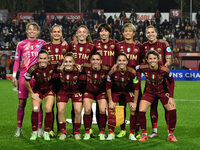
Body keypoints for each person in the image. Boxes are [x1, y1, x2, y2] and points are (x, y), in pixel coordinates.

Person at [12, 22, 45, 137]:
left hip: (37, 77)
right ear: (26, 31)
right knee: (22, 103)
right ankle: (19, 128)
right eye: (29, 29)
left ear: (37, 31)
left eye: (34, 29)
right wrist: (14, 75)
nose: (32, 31)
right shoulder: (21, 44)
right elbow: (16, 60)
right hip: (23, 77)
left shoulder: (42, 43)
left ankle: (39, 129)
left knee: (38, 104)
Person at [137, 50, 177, 142]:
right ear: (146, 60)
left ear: (158, 59)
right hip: (149, 92)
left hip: (162, 92)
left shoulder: (165, 70)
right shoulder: (143, 67)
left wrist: (171, 97)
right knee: (141, 111)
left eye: (154, 58)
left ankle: (171, 134)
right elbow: (134, 69)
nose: (152, 60)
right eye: (150, 59)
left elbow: (172, 82)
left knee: (172, 110)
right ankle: (144, 134)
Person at [142, 25, 172, 138]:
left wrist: (161, 70)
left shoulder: (164, 44)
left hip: (163, 81)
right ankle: (154, 131)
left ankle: (170, 132)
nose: (150, 34)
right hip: (150, 81)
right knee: (152, 106)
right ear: (145, 34)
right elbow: (142, 62)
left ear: (156, 33)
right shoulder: (144, 46)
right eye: (148, 32)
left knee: (167, 107)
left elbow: (169, 60)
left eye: (152, 32)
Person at [115, 23, 143, 138]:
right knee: (121, 106)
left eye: (130, 31)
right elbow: (115, 61)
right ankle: (122, 129)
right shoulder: (118, 45)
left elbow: (142, 62)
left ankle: (136, 130)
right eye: (125, 31)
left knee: (134, 106)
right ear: (123, 33)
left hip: (134, 81)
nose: (127, 33)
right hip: (120, 81)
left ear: (134, 33)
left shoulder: (139, 46)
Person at [42, 24, 69, 136]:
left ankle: (60, 129)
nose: (57, 33)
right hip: (50, 81)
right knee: (50, 106)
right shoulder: (46, 46)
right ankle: (50, 129)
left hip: (62, 81)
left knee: (60, 106)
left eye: (58, 31)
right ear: (51, 34)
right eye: (54, 32)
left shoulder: (66, 47)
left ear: (61, 33)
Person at [106, 53, 139, 141]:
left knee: (132, 109)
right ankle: (111, 133)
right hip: (116, 91)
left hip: (129, 91)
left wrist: (135, 103)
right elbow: (108, 87)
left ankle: (132, 133)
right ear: (116, 62)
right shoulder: (112, 72)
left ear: (127, 62)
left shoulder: (132, 72)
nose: (121, 62)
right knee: (111, 108)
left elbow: (136, 88)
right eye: (119, 60)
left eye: (124, 60)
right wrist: (110, 101)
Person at [24, 50, 55, 141]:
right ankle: (34, 132)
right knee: (35, 109)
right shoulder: (33, 68)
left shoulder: (53, 64)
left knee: (48, 109)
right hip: (38, 91)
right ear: (38, 59)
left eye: (45, 58)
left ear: (48, 59)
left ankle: (46, 132)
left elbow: (63, 64)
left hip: (49, 90)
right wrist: (32, 93)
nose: (42, 60)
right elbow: (26, 81)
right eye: (41, 58)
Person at [82, 52, 110, 140]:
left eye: (97, 59)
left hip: (101, 92)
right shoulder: (85, 67)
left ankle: (102, 132)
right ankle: (87, 131)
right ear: (90, 61)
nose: (95, 61)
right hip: (89, 91)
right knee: (87, 110)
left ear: (101, 61)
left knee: (102, 110)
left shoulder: (106, 69)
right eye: (93, 59)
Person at [55, 52, 83, 140]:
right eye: (66, 61)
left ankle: (76, 132)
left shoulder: (79, 70)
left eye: (70, 62)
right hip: (63, 91)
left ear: (74, 62)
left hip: (76, 91)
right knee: (60, 110)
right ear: (63, 62)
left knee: (78, 111)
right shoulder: (59, 70)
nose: (68, 63)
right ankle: (63, 132)